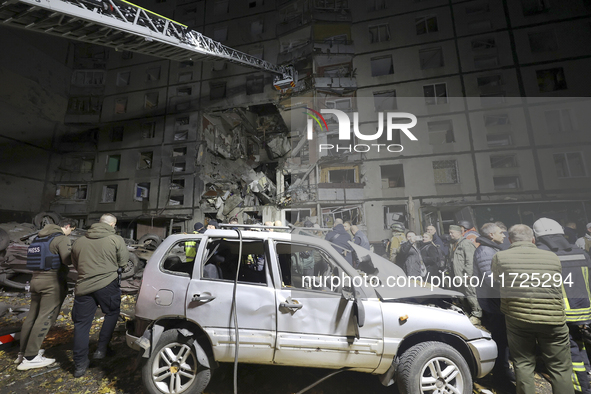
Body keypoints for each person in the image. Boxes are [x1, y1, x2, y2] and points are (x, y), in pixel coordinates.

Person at [491, 224, 574, 394]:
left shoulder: (500, 257)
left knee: (523, 364)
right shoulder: (552, 257)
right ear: (533, 239)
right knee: (560, 368)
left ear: (510, 240)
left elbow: (497, 279)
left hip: (518, 317)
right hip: (553, 318)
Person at [534, 218, 591, 394]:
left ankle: (581, 388)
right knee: (582, 347)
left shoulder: (541, 255)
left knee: (570, 353)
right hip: (585, 311)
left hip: (560, 314)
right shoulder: (580, 252)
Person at [70, 214, 129, 378]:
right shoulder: (115, 239)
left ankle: (80, 365)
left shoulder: (79, 241)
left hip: (83, 286)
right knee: (111, 312)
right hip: (107, 284)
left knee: (81, 324)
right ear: (112, 224)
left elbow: (74, 263)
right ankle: (102, 348)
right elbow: (123, 262)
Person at [16, 218, 76, 370]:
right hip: (52, 281)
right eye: (71, 230)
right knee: (45, 317)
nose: (70, 233)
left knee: (32, 316)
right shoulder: (60, 239)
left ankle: (23, 353)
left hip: (35, 279)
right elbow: (67, 260)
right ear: (67, 226)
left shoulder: (38, 238)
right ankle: (31, 358)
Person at [472, 223, 513, 382]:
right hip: (493, 301)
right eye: (501, 233)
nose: (504, 235)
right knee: (500, 337)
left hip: (495, 300)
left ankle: (501, 369)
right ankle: (500, 373)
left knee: (502, 336)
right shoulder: (485, 251)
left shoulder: (491, 249)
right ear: (491, 235)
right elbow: (491, 280)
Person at [449, 225, 482, 325]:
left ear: (460, 232)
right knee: (462, 296)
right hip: (458, 276)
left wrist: (469, 274)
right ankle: (467, 313)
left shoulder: (466, 244)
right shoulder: (454, 244)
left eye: (452, 233)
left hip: (466, 276)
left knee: (471, 294)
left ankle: (477, 315)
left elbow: (470, 260)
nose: (450, 235)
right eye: (450, 232)